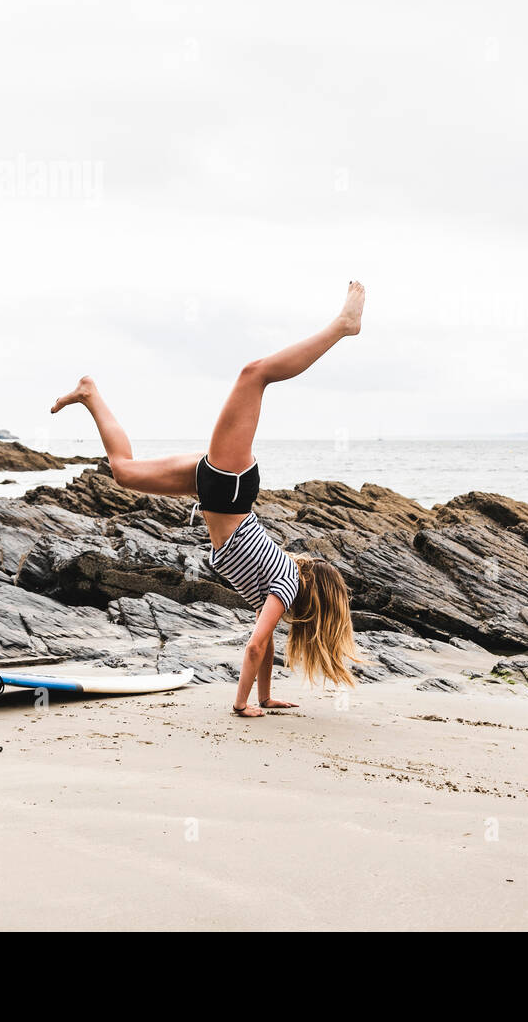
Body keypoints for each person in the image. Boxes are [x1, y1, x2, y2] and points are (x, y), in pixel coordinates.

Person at [50, 282, 365, 718]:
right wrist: (240, 705)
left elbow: (264, 643)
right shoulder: (287, 584)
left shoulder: (277, 588)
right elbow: (256, 646)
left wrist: (264, 699)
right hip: (229, 489)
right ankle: (342, 326)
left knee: (123, 471)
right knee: (254, 374)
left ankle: (90, 393)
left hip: (211, 487)